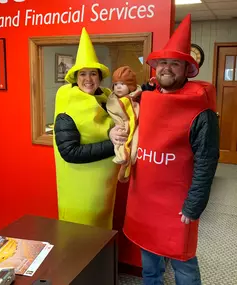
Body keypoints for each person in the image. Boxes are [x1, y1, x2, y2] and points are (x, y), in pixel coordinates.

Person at [122, 14, 220, 285]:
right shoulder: (147, 99)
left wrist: (194, 206)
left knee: (183, 265)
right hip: (145, 201)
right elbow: (133, 135)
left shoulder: (201, 110)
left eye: (174, 63)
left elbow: (207, 161)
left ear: (187, 70)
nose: (166, 68)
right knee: (150, 264)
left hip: (179, 205)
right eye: (162, 63)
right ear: (155, 69)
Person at [53, 27, 127, 230]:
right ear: (76, 78)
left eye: (93, 73)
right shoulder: (67, 108)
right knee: (80, 237)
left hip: (103, 188)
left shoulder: (105, 100)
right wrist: (111, 142)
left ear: (99, 77)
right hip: (80, 191)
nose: (88, 79)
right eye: (83, 74)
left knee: (101, 233)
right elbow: (70, 152)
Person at [106, 66, 141, 183]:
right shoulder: (111, 100)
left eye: (122, 84)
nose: (118, 87)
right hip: (118, 130)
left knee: (133, 147)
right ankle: (123, 156)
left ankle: (127, 159)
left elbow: (134, 118)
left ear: (131, 86)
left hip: (135, 129)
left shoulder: (136, 100)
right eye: (116, 84)